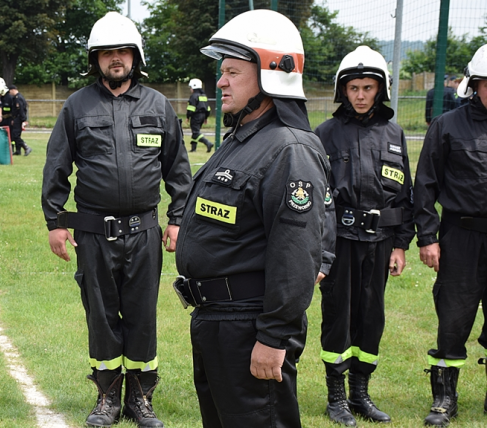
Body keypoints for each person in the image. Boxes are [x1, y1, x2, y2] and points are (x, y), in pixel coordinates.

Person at [173, 10, 329, 428]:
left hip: (249, 326)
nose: (220, 81)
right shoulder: (243, 139)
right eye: (221, 72)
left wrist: (274, 336)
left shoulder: (289, 149)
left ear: (272, 74)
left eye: (232, 72)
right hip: (218, 322)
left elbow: (296, 251)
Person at [41, 11, 191, 428]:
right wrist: (56, 222)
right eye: (107, 53)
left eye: (122, 51)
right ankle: (107, 396)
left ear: (135, 57)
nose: (116, 59)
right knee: (102, 314)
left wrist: (177, 218)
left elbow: (179, 169)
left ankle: (140, 398)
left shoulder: (159, 106)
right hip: (92, 232)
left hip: (144, 231)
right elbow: (57, 167)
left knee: (143, 314)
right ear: (96, 60)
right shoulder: (77, 106)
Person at [314, 46, 414, 426]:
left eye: (367, 88)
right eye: (353, 87)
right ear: (343, 90)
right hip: (339, 241)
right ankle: (336, 397)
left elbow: (404, 193)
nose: (359, 95)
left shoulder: (394, 133)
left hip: (381, 242)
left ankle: (360, 393)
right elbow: (317, 197)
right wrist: (321, 249)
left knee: (371, 318)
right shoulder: (325, 134)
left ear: (381, 90)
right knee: (338, 315)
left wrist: (402, 244)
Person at [414, 44, 487, 428]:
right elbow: (425, 185)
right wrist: (427, 237)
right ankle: (444, 399)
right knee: (454, 319)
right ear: (475, 85)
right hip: (460, 236)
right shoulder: (448, 126)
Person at [186, 78, 213, 153]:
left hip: (196, 116)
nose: (190, 89)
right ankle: (193, 149)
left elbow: (191, 108)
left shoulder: (194, 96)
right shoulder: (203, 96)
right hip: (203, 116)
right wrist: (206, 117)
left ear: (194, 87)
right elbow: (208, 108)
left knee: (195, 132)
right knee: (195, 131)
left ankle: (208, 143)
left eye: (191, 87)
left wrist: (188, 116)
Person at [7, 85, 31, 156]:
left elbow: (20, 110)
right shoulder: (18, 97)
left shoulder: (18, 98)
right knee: (16, 134)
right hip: (16, 118)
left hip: (18, 118)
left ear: (12, 90)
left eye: (10, 91)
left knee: (15, 135)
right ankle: (18, 150)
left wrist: (23, 120)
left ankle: (26, 147)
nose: (9, 93)